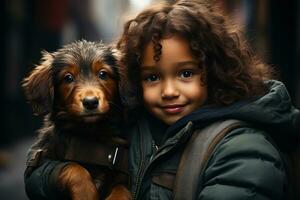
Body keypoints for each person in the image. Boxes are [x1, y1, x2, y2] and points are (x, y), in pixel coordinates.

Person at [24, 0, 300, 200]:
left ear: (215, 71)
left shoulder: (243, 148)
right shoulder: (136, 124)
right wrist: (65, 176)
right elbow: (36, 173)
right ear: (134, 82)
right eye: (152, 78)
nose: (169, 91)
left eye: (186, 73)